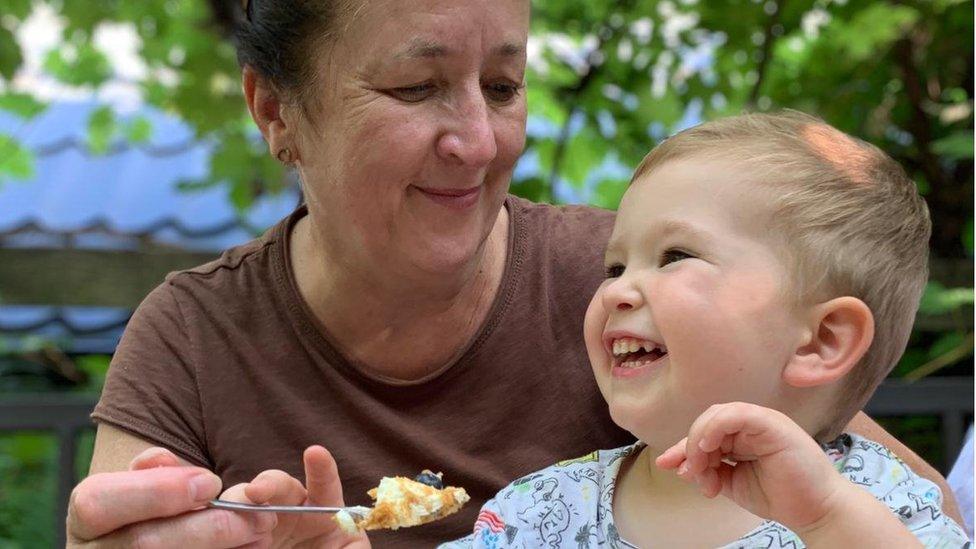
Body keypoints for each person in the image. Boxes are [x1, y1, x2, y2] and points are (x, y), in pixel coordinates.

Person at [65, 1, 960, 547]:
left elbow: (901, 491)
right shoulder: (192, 336)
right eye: (416, 88)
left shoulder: (630, 281)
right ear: (275, 110)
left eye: (502, 86)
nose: (479, 141)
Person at [439, 112, 969, 547]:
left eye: (675, 256)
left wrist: (827, 520)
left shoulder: (885, 507)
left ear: (822, 340)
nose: (614, 292)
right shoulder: (536, 515)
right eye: (616, 267)